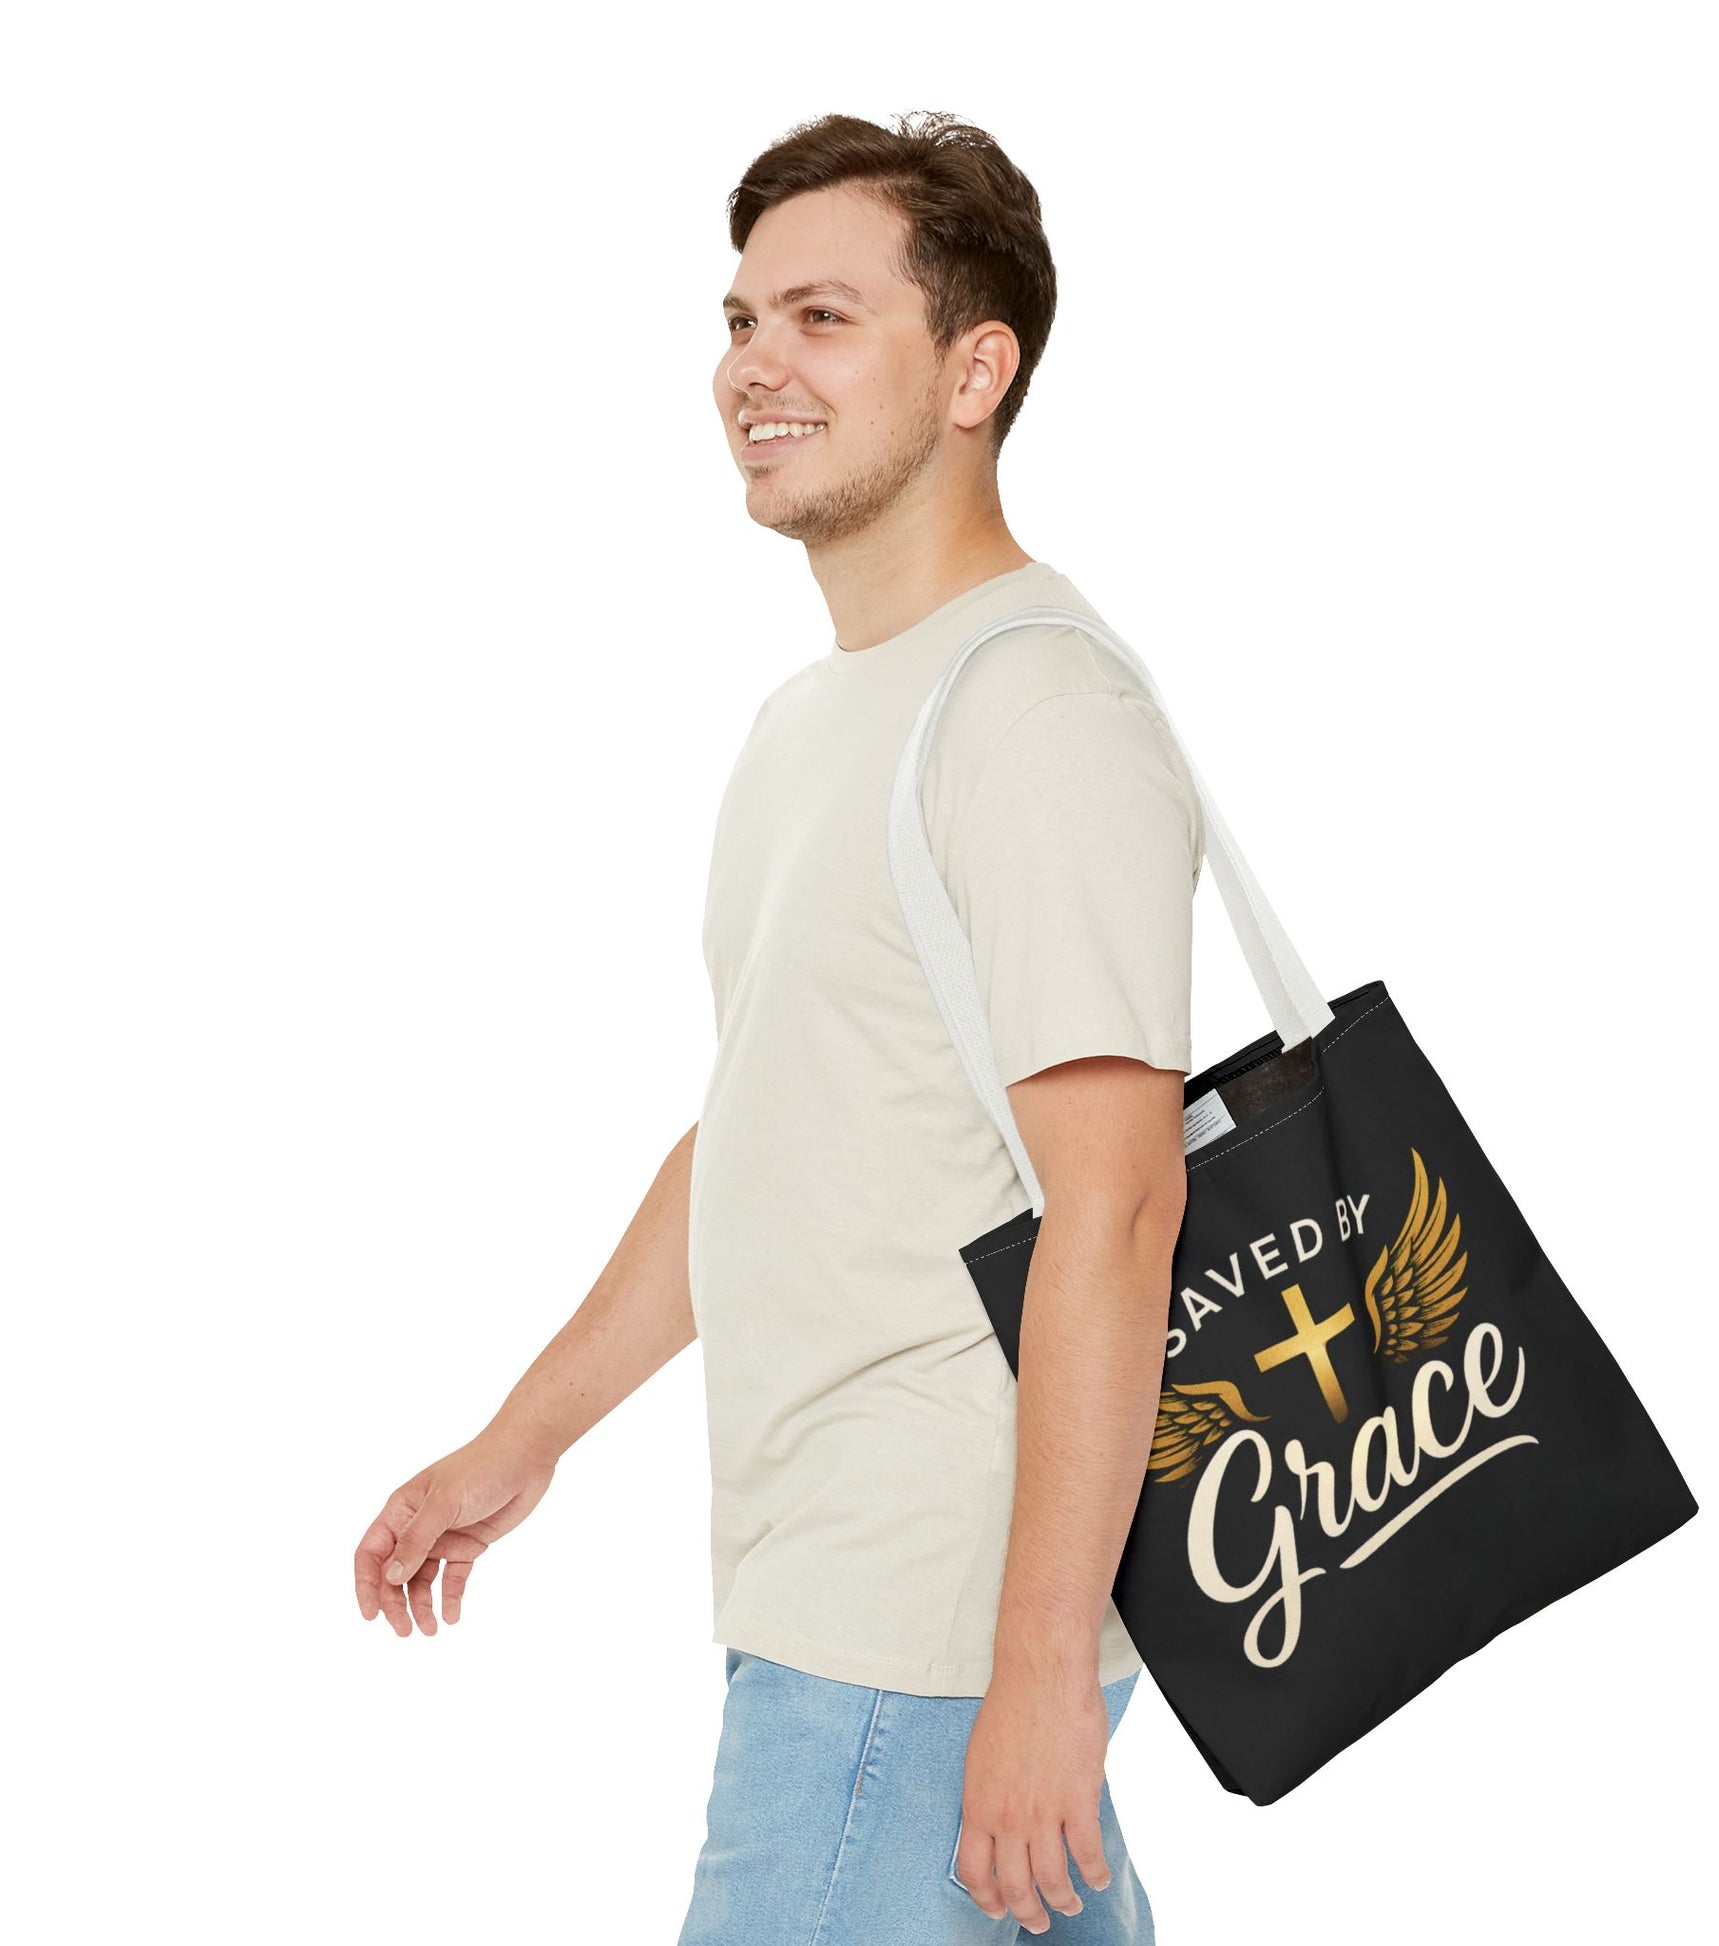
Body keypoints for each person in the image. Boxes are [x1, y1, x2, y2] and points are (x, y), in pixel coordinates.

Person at [352, 109, 1203, 1943]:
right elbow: (764, 1131)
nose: (754, 365)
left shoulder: (1033, 713)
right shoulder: (815, 722)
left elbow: (1121, 1202)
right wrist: (522, 1439)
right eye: (741, 319)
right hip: (842, 1602)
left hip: (914, 1635)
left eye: (822, 317)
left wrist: (1037, 1678)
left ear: (974, 371)